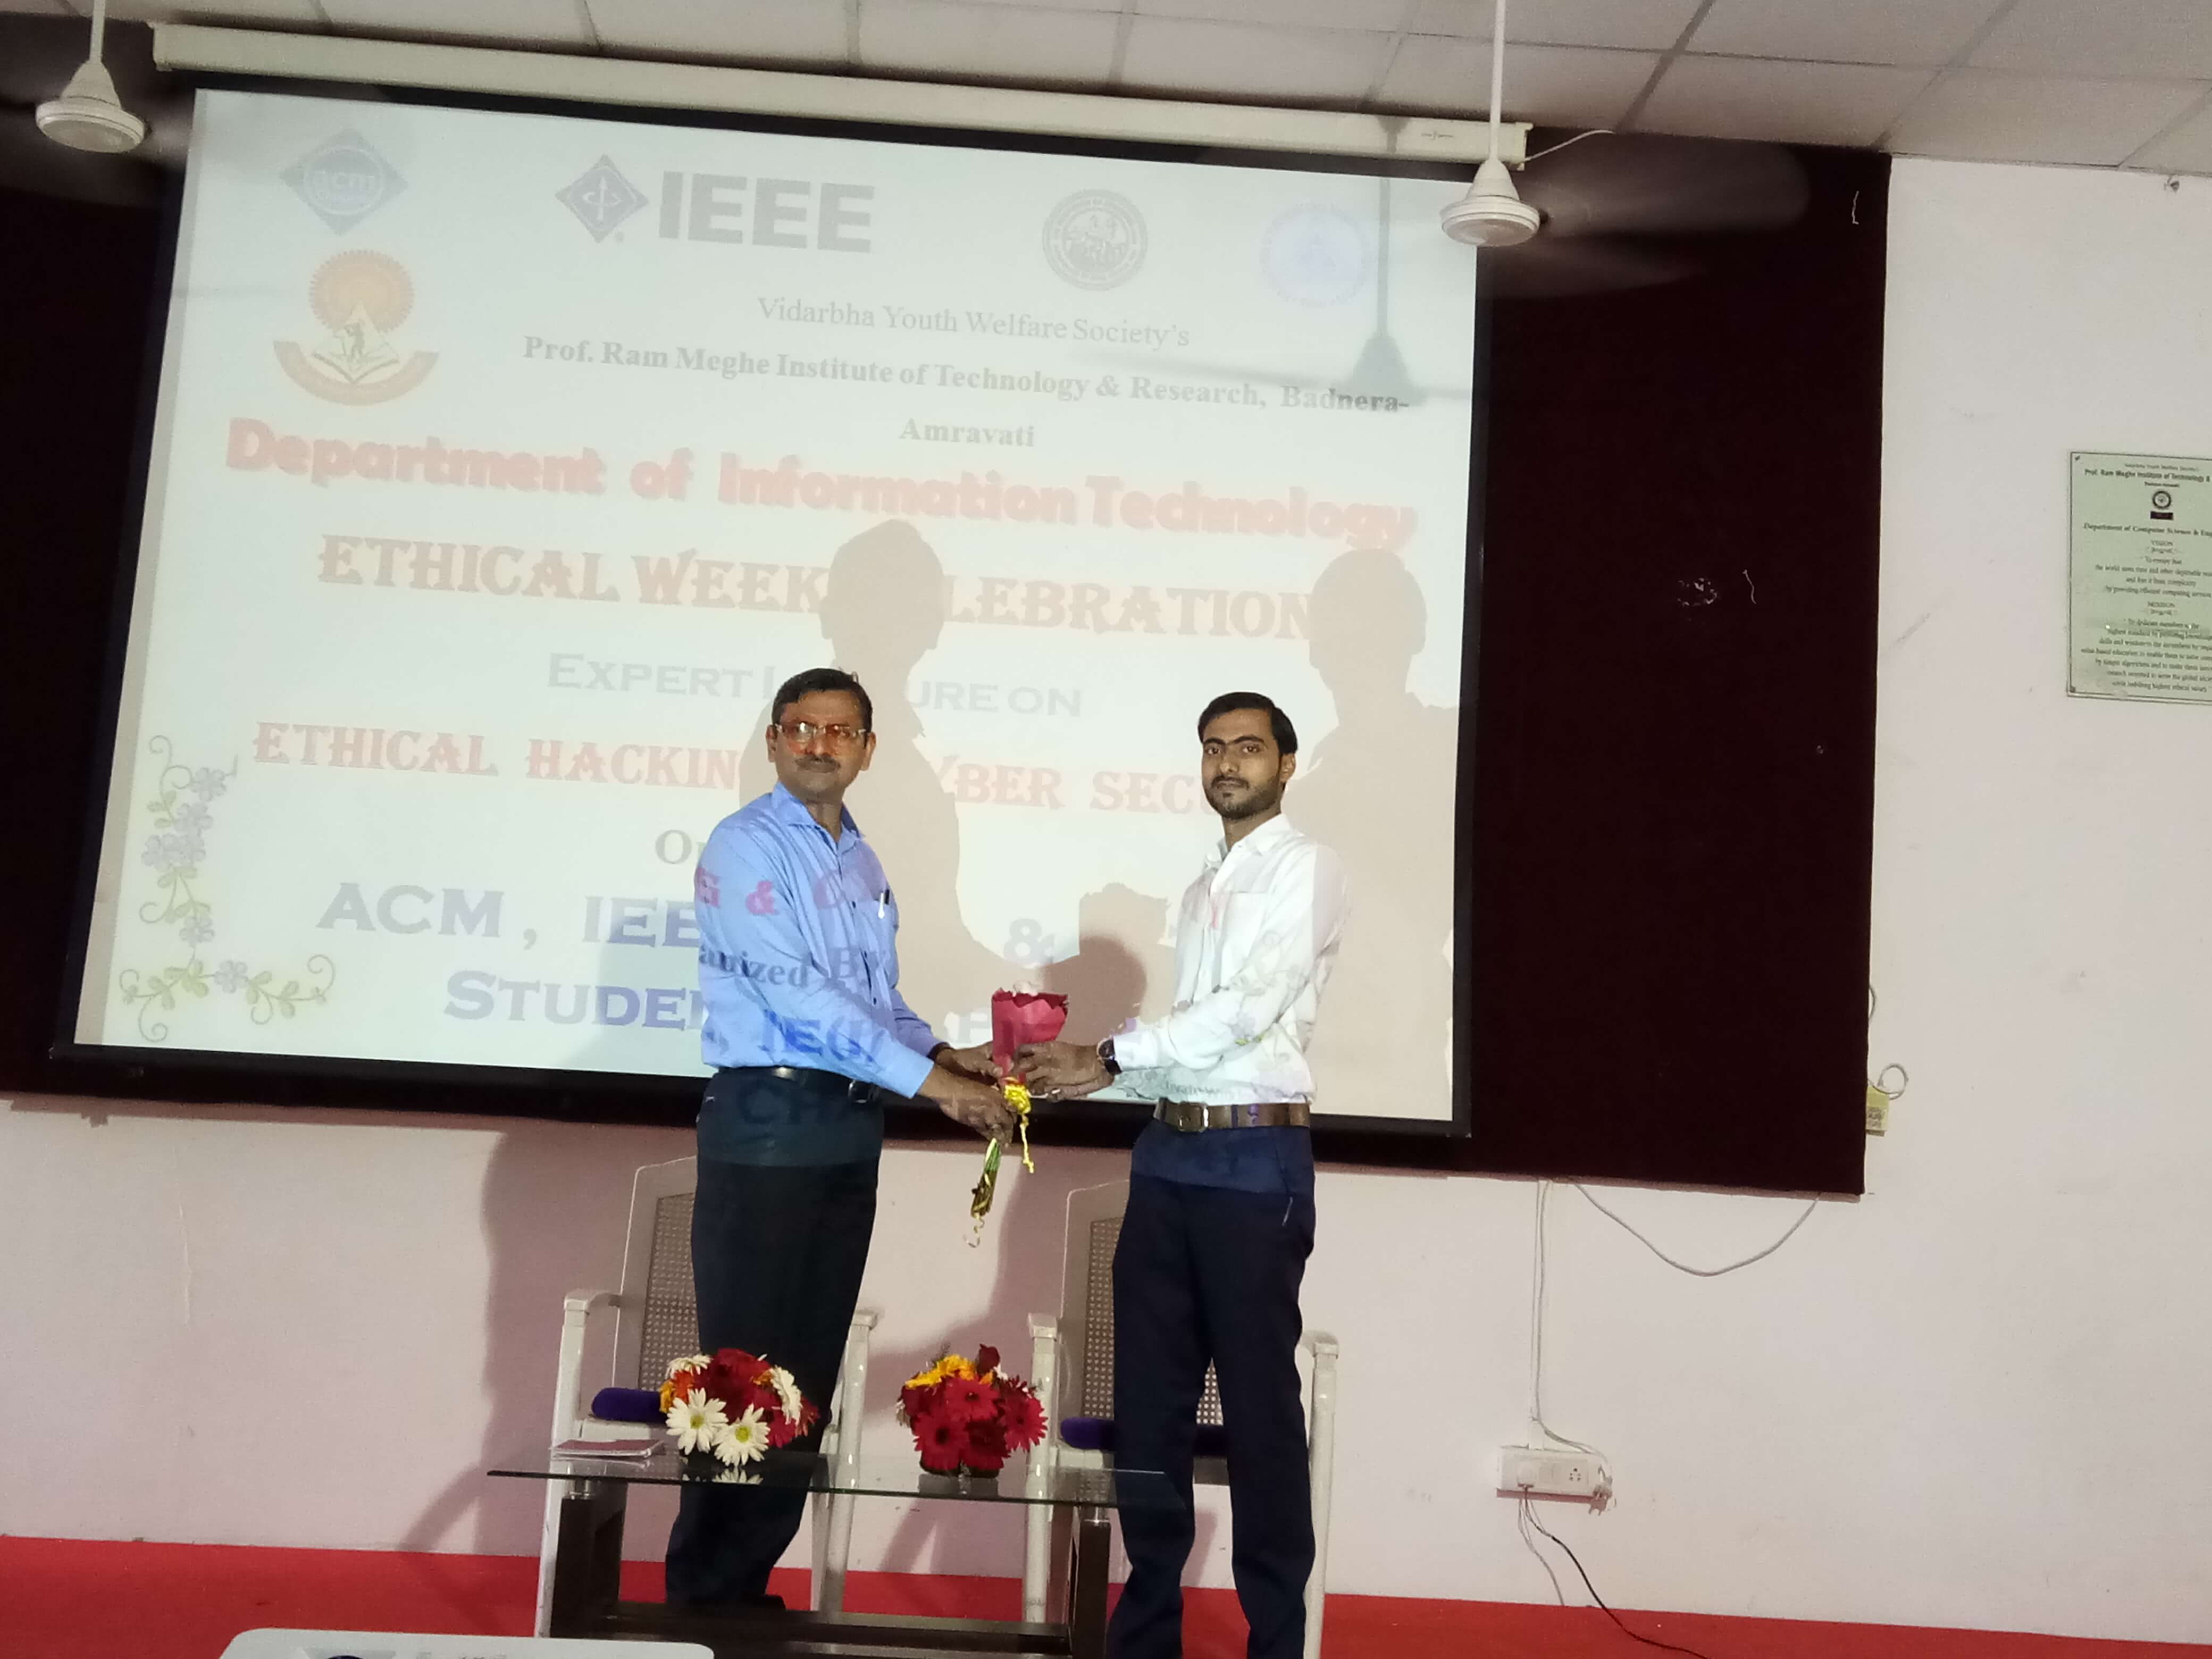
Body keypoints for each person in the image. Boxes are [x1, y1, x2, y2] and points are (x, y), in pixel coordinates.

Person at [665, 665, 1010, 1611]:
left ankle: (744, 1592)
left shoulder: (859, 856)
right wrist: (933, 1087)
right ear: (774, 741)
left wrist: (943, 1054)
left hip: (847, 1130)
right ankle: (702, 1602)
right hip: (769, 1129)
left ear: (868, 749)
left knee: (805, 1384)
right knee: (746, 1382)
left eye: (841, 730)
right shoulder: (744, 846)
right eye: (802, 727)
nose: (820, 744)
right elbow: (802, 1000)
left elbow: (871, 1000)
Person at [1017, 692, 1347, 1659]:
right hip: (1168, 1158)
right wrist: (1083, 1073)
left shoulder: (1308, 868)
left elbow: (1247, 1013)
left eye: (1248, 748)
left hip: (1253, 1164)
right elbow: (1192, 1051)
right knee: (1149, 1414)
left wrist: (1108, 1056)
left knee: (1259, 1415)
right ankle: (1146, 1633)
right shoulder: (1204, 885)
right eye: (1212, 748)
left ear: (1287, 765)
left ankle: (1275, 1639)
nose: (1227, 764)